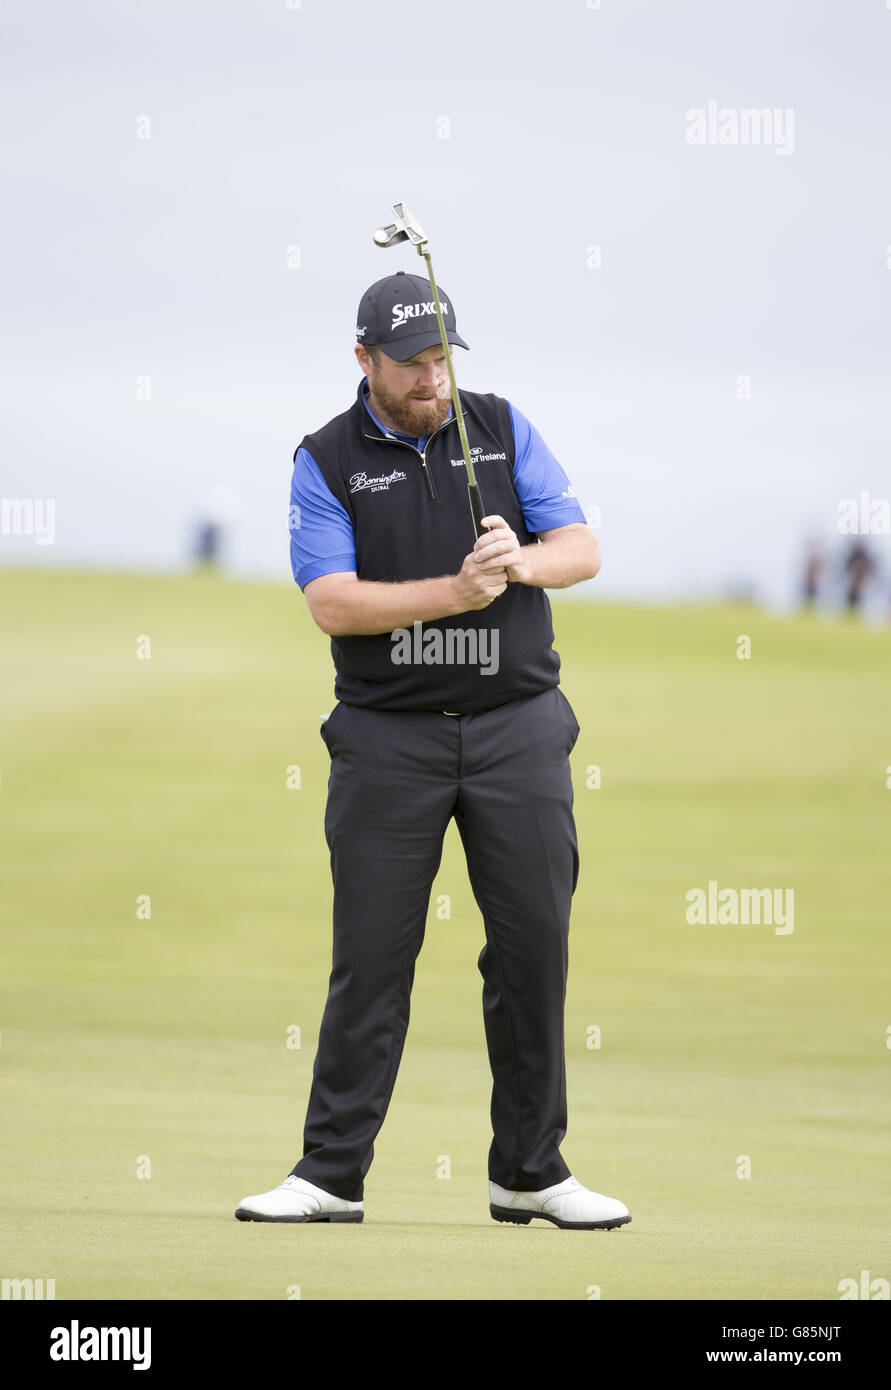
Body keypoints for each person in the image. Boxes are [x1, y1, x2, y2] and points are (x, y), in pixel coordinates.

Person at [235, 270, 631, 1231]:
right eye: (410, 362)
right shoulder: (325, 459)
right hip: (388, 738)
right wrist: (453, 593)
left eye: (442, 357)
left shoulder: (497, 425)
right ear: (363, 360)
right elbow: (330, 600)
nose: (431, 379)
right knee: (372, 957)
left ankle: (529, 1173)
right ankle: (331, 1175)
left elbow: (580, 544)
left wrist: (519, 563)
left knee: (533, 951)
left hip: (518, 730)